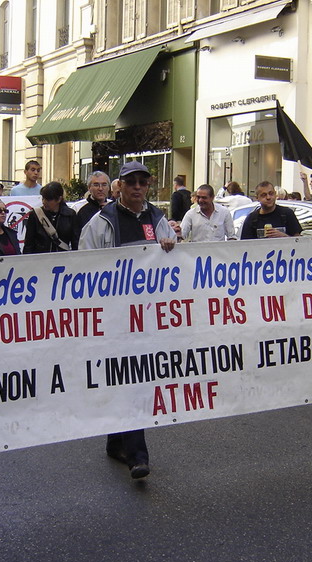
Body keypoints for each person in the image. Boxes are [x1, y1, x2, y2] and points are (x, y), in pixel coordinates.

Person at [79, 160, 176, 479]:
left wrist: (170, 248)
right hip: (114, 317)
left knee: (132, 379)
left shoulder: (157, 219)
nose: (137, 187)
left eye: (143, 182)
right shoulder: (101, 222)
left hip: (147, 317)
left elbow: (175, 264)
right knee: (130, 377)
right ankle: (137, 454)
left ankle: (117, 442)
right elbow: (83, 264)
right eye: (130, 182)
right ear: (119, 186)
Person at [23, 181, 79, 254]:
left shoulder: (70, 215)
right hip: (40, 260)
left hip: (63, 260)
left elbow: (76, 242)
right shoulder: (35, 215)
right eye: (43, 198)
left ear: (59, 199)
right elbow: (29, 244)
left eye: (48, 199)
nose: (44, 202)